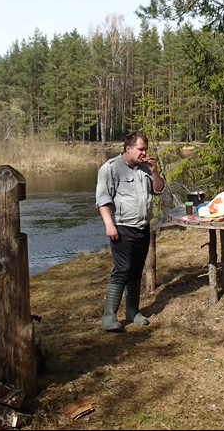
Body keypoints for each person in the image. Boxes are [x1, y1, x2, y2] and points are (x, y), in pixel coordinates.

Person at [96, 131, 165, 331]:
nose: (144, 153)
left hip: (142, 228)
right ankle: (109, 317)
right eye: (141, 149)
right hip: (122, 228)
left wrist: (154, 171)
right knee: (122, 270)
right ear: (128, 148)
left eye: (146, 149)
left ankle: (132, 312)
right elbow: (103, 199)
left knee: (135, 270)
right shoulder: (110, 168)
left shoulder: (145, 168)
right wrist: (109, 225)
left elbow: (159, 189)